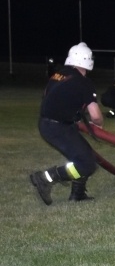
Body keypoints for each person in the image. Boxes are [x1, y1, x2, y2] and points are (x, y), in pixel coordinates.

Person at [30, 42, 104, 205]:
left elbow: (56, 98)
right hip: (58, 127)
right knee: (87, 164)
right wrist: (98, 124)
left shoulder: (58, 74)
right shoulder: (83, 82)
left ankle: (77, 194)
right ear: (88, 61)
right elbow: (96, 115)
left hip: (47, 124)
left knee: (83, 155)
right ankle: (45, 178)